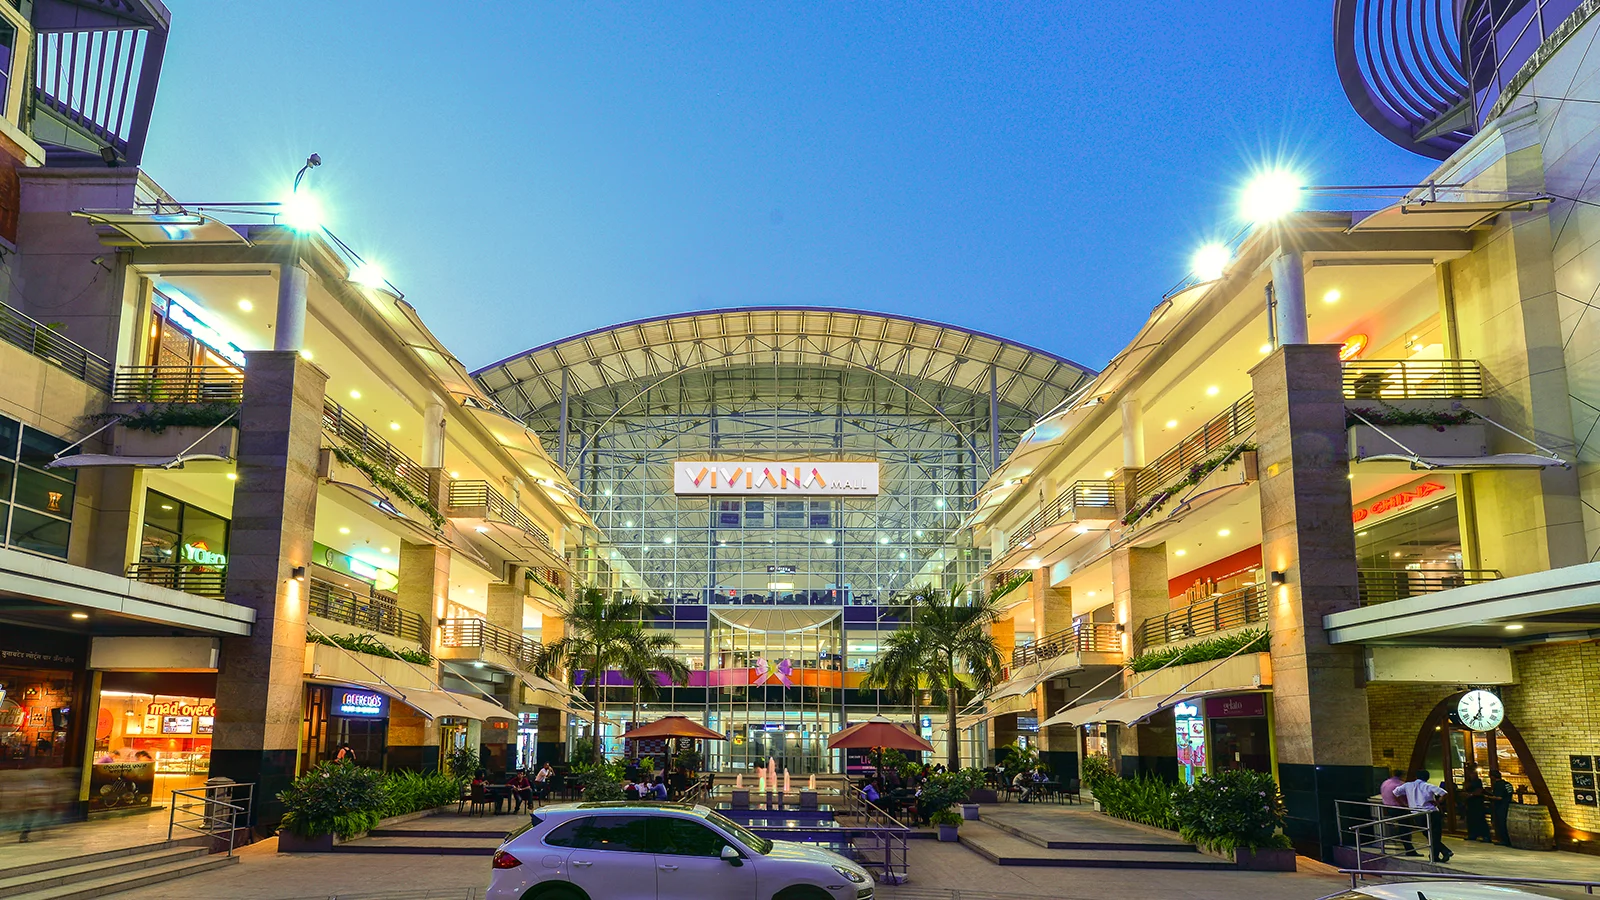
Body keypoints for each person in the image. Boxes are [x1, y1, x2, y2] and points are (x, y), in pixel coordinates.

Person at [1397, 769, 1451, 863]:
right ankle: (1438, 854)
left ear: (1416, 777)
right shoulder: (1427, 786)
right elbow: (1444, 793)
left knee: (1427, 833)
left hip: (1416, 813)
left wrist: (1404, 803)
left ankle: (1441, 852)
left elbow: (1395, 793)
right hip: (1430, 812)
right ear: (1427, 778)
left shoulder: (1407, 785)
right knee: (1435, 834)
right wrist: (1437, 802)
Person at [1379, 768, 1417, 856]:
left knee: (1399, 827)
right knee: (1405, 829)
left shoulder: (1385, 783)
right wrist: (1405, 804)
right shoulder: (1400, 784)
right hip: (1399, 808)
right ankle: (1409, 850)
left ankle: (1407, 848)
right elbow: (1400, 796)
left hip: (1388, 807)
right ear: (1402, 776)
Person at [1462, 767, 1491, 843]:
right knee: (1471, 819)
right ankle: (1473, 834)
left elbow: (1479, 791)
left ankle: (1485, 836)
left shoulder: (1477, 782)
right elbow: (1465, 789)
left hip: (1477, 803)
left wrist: (1471, 794)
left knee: (1480, 819)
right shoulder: (1468, 782)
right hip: (1470, 803)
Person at [1490, 774, 1515, 846]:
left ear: (1493, 777)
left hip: (1501, 806)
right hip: (1508, 805)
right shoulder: (1508, 784)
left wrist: (1488, 797)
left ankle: (1504, 840)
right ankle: (1508, 840)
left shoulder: (1498, 785)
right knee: (1505, 823)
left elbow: (1499, 797)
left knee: (1501, 823)